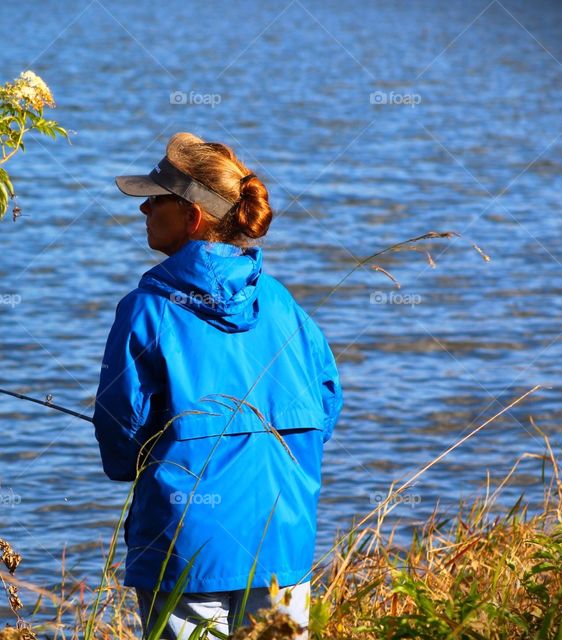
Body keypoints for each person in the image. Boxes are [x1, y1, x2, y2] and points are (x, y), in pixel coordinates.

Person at [93, 132, 342, 639]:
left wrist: (148, 458)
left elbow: (121, 439)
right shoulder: (282, 305)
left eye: (156, 197)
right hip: (282, 544)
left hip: (186, 550)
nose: (143, 207)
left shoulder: (146, 309)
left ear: (193, 216)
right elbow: (327, 406)